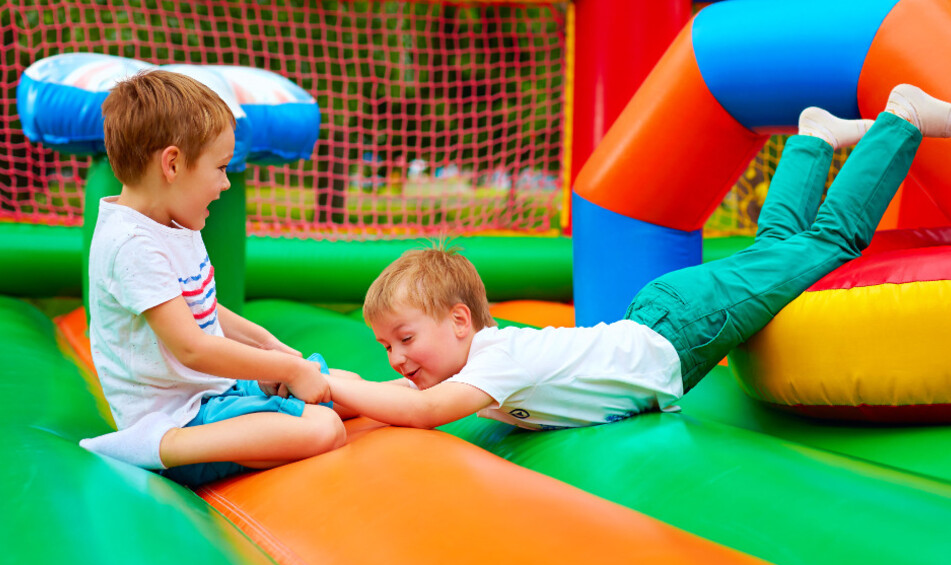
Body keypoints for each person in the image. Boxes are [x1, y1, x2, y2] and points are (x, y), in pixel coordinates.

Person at [327, 84, 950, 431]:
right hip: (665, 316)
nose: (396, 358)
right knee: (776, 254)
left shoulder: (497, 360)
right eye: (387, 347)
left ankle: (901, 118)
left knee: (826, 246)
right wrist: (340, 397)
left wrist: (331, 382)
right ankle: (812, 138)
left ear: (461, 321)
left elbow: (421, 412)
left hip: (682, 329)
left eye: (404, 339)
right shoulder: (479, 364)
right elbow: (394, 395)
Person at [80, 70, 351, 487]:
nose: (226, 184)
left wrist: (269, 346)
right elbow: (191, 347)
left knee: (336, 385)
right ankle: (149, 447)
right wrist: (284, 369)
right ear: (172, 164)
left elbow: (200, 306)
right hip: (180, 415)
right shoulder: (131, 244)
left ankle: (422, 398)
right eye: (221, 168)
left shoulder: (173, 220)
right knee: (323, 428)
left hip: (211, 391)